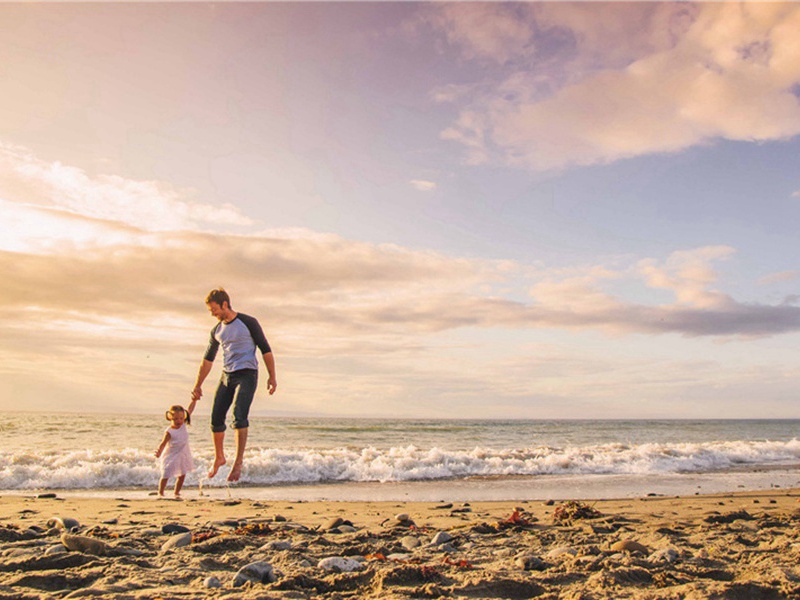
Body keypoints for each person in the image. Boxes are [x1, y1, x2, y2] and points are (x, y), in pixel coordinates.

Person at [191, 288, 277, 482]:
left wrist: (272, 376)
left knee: (239, 416)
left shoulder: (248, 322)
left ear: (224, 304)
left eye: (214, 309)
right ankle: (219, 457)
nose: (212, 313)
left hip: (247, 374)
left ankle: (238, 462)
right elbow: (207, 360)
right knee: (216, 419)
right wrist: (198, 385)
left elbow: (266, 350)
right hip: (226, 375)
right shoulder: (217, 330)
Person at [154, 400, 196, 498]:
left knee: (182, 474)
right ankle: (161, 492)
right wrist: (159, 451)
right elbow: (163, 443)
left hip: (182, 454)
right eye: (176, 419)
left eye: (181, 418)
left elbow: (190, 409)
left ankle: (177, 492)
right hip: (171, 455)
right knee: (166, 473)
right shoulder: (169, 431)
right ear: (170, 417)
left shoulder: (183, 425)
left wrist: (194, 400)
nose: (179, 421)